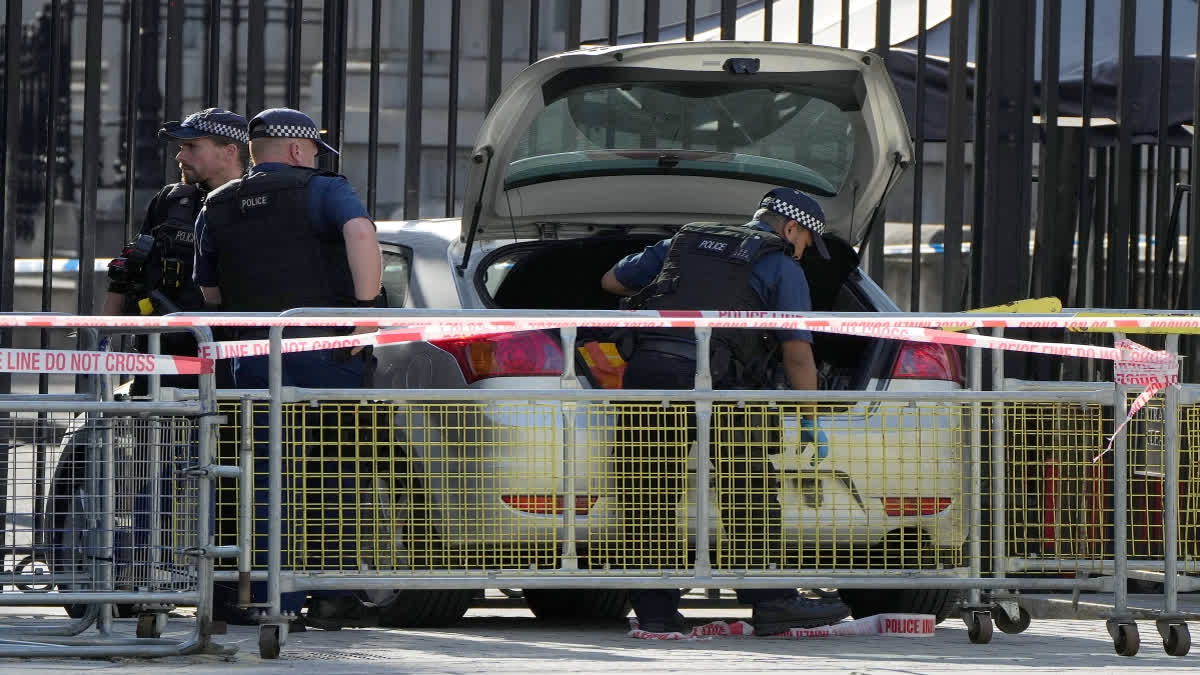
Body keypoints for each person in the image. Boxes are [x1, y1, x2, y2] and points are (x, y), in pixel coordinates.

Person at [599, 187, 852, 636]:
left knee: (646, 493)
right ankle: (771, 603)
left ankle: (655, 613)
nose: (804, 252)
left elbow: (613, 281)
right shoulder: (779, 263)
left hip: (651, 373)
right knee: (747, 489)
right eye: (807, 243)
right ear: (791, 228)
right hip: (727, 385)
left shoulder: (685, 242)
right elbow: (797, 353)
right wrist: (811, 418)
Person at [194, 107, 383, 629]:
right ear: (300, 149)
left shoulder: (217, 203)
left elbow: (209, 290)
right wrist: (364, 315)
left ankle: (268, 599)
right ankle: (330, 596)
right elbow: (362, 235)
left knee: (260, 477)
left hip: (251, 363)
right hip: (326, 358)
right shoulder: (324, 189)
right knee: (334, 472)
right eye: (315, 149)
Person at [101, 107, 248, 391]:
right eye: (181, 147)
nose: (180, 156)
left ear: (230, 152)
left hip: (228, 361)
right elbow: (128, 269)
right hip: (160, 354)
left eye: (192, 147)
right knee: (153, 435)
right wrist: (103, 336)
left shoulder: (255, 203)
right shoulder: (170, 200)